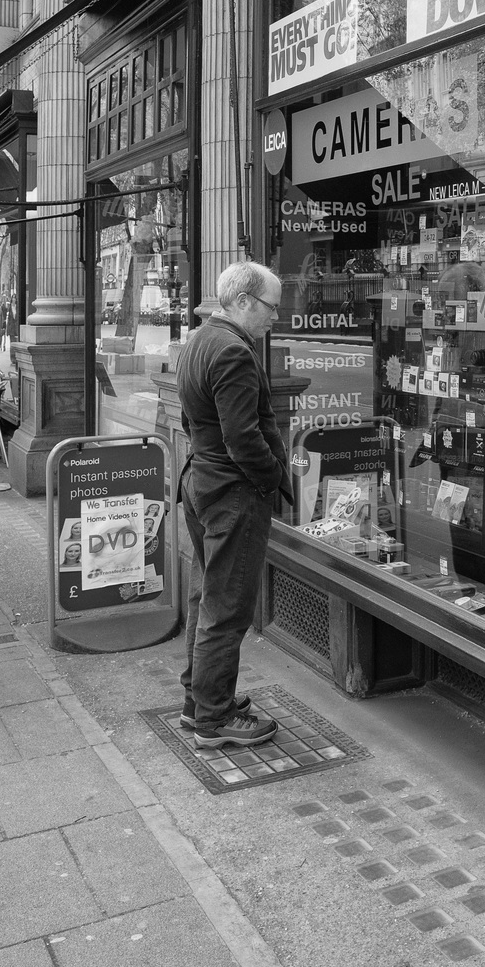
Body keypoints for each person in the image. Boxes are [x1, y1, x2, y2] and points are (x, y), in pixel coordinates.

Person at [177, 261, 290, 749]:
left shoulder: (200, 339)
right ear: (244, 301)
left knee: (208, 595)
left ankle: (199, 701)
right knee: (226, 606)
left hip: (202, 481)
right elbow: (244, 438)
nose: (274, 318)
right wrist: (272, 481)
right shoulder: (233, 353)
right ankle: (214, 718)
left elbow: (191, 420)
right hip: (231, 491)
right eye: (270, 308)